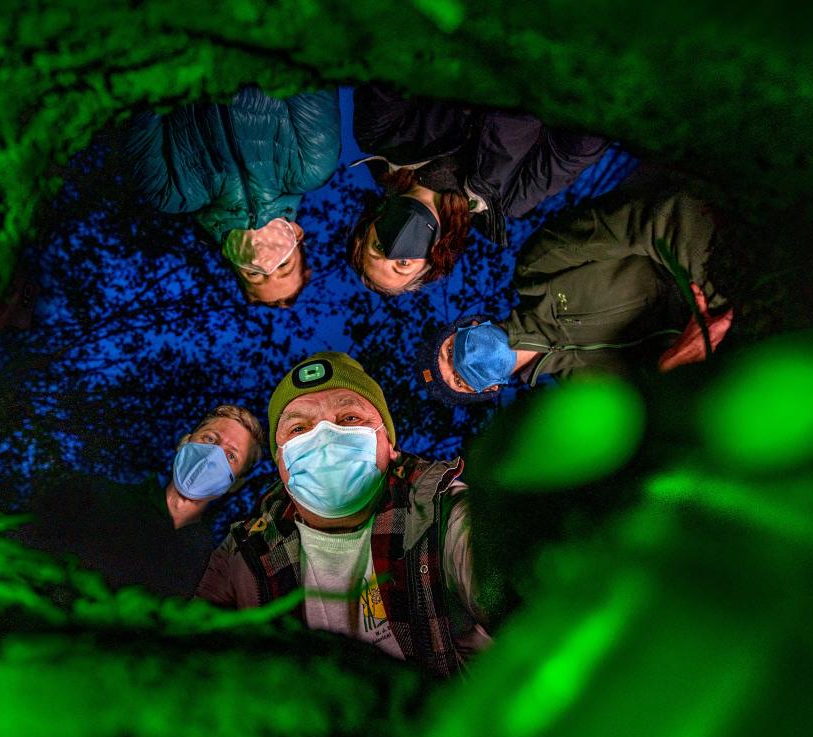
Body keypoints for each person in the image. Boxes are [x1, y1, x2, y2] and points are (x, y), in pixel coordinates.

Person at [195, 352, 491, 677]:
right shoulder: (245, 551)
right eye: (298, 428)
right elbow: (187, 655)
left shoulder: (441, 510)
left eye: (349, 418)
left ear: (389, 444)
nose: (323, 436)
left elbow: (506, 582)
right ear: (280, 462)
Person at [420, 181, 735, 404]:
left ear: (470, 325)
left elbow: (659, 218)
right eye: (460, 382)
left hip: (733, 270)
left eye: (449, 353)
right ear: (488, 390)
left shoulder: (540, 269)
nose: (462, 364)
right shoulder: (584, 396)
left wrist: (723, 309)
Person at [347, 83, 612, 295]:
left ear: (372, 222)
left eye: (379, 246)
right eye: (402, 264)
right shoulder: (509, 198)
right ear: (433, 262)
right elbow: (571, 153)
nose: (395, 247)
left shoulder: (381, 136)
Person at [123, 87, 341, 307]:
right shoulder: (312, 166)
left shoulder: (170, 192)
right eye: (284, 266)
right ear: (296, 232)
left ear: (228, 255)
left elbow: (136, 101)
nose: (267, 265)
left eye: (254, 275)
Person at [14, 405, 265, 595]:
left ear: (236, 483)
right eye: (210, 439)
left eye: (230, 456)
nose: (212, 457)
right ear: (184, 443)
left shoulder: (210, 565)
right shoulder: (90, 496)